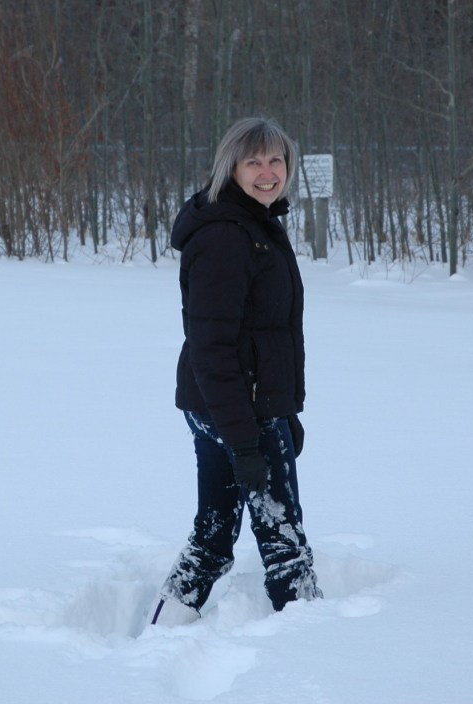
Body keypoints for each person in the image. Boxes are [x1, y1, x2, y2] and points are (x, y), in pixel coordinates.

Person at [150, 117, 322, 627]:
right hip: (239, 409)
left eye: (276, 161)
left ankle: (162, 631)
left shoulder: (255, 224)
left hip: (228, 406)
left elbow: (268, 333)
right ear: (232, 168)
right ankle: (316, 647)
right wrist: (246, 441)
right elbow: (213, 347)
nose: (268, 173)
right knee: (283, 540)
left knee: (214, 533)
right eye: (254, 162)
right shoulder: (227, 236)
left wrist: (287, 410)